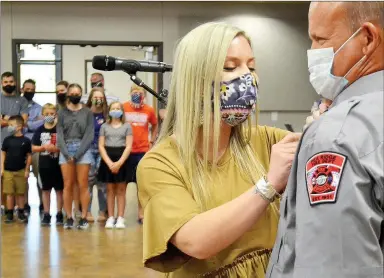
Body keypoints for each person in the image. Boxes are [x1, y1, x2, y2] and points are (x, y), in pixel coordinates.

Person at [136, 22, 300, 277]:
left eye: (252, 66)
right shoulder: (160, 163)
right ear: (195, 79)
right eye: (230, 67)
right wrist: (269, 185)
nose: (248, 77)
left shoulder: (268, 141)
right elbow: (196, 241)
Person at [267, 2, 384, 277]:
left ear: (367, 39)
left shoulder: (336, 136)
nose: (312, 51)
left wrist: (330, 132)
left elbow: (334, 267)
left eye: (320, 39)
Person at [57, 83, 94, 229]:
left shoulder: (87, 112)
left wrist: (78, 154)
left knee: (83, 184)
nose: (74, 95)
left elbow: (89, 134)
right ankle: (69, 217)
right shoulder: (61, 113)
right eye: (72, 93)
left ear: (81, 94)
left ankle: (83, 216)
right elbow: (59, 134)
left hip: (83, 150)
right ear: (68, 95)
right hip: (65, 149)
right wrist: (66, 153)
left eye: (77, 93)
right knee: (68, 185)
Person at [123, 84, 158, 223]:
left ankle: (141, 212)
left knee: (141, 184)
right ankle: (120, 214)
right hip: (126, 150)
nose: (136, 94)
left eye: (140, 92)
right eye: (134, 92)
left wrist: (152, 141)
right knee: (122, 184)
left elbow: (155, 124)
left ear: (144, 95)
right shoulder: (123, 107)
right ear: (130, 93)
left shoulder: (149, 110)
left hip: (143, 150)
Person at [98, 102, 133, 229]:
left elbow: (128, 146)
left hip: (122, 159)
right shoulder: (104, 127)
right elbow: (101, 146)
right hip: (108, 159)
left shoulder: (127, 126)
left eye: (118, 108)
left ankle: (120, 218)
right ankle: (111, 217)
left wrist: (119, 163)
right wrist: (109, 163)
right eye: (113, 108)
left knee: (121, 190)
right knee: (110, 190)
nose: (116, 110)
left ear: (122, 111)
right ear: (109, 111)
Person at [32, 103, 64, 226]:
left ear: (56, 114)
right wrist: (44, 147)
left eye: (52, 113)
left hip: (59, 164)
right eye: (47, 114)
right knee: (45, 190)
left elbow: (65, 145)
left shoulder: (59, 129)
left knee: (59, 190)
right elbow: (33, 147)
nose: (49, 116)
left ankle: (59, 213)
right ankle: (46, 213)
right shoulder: (39, 130)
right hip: (44, 164)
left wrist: (57, 149)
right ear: (42, 115)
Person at [1, 72, 28, 214]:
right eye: (6, 82)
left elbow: (23, 121)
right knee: (2, 177)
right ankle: (3, 206)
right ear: (1, 83)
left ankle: (19, 208)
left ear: (15, 83)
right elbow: (16, 121)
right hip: (1, 144)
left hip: (18, 145)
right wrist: (13, 121)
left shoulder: (22, 101)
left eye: (11, 81)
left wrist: (4, 119)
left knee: (18, 178)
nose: (8, 84)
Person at [1, 115, 31, 223]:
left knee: (20, 193)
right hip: (8, 171)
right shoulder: (7, 140)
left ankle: (21, 212)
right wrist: (2, 169)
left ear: (19, 127)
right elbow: (3, 154)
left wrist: (27, 170)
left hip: (21, 171)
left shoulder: (26, 141)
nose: (9, 127)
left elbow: (29, 156)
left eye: (11, 125)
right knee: (9, 193)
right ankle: (9, 213)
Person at [85, 88, 108, 222]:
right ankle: (87, 211)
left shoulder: (107, 115)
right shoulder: (85, 113)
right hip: (88, 150)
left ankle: (102, 211)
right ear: (91, 98)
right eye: (96, 97)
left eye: (101, 97)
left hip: (103, 150)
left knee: (102, 183)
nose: (98, 100)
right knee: (88, 181)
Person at [21, 79, 44, 215]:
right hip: (19, 147)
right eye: (27, 89)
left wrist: (27, 123)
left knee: (39, 176)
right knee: (22, 178)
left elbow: (40, 124)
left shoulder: (39, 107)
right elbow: (17, 124)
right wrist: (32, 122)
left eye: (32, 89)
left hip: (35, 146)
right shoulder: (17, 105)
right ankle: (24, 205)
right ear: (22, 89)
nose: (29, 91)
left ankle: (42, 204)